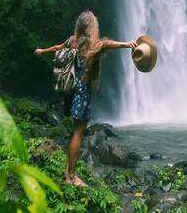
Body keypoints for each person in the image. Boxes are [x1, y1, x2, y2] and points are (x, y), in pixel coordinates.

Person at [34, 10, 136, 186]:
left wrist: (43, 51)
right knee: (78, 133)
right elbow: (108, 44)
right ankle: (71, 177)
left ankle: (68, 172)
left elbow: (58, 48)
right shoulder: (93, 44)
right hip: (82, 92)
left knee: (76, 132)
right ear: (90, 26)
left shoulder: (73, 40)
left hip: (72, 91)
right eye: (94, 22)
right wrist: (127, 44)